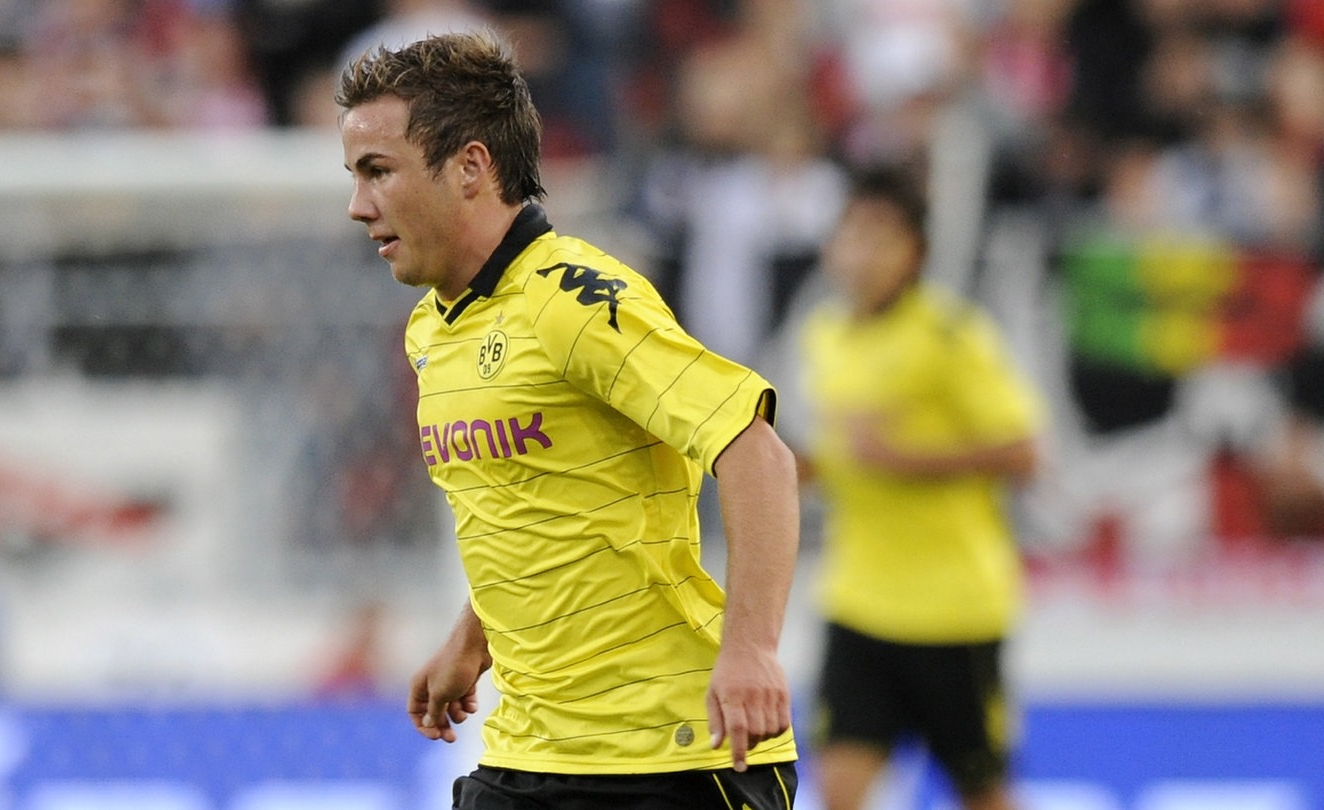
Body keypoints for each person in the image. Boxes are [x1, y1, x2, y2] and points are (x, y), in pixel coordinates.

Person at [335, 30, 801, 809]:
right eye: (354, 176)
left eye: (378, 171)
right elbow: (534, 506)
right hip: (527, 753)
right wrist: (472, 638)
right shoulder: (432, 331)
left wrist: (752, 650)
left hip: (673, 759)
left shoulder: (576, 300)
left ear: (471, 167)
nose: (358, 206)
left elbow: (759, 457)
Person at [788, 167, 1044, 810]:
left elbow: (1024, 453)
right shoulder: (825, 335)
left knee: (981, 790)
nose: (863, 254)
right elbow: (841, 455)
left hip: (953, 611)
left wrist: (906, 459)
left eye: (883, 239)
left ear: (915, 253)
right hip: (858, 603)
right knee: (837, 791)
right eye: (854, 236)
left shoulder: (952, 336)